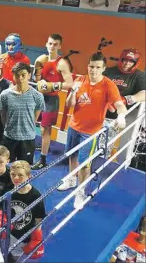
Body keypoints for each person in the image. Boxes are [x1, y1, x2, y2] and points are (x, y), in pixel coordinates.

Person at [58, 52, 127, 209]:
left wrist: (121, 115)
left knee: (85, 164)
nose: (93, 70)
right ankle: (71, 179)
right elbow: (69, 104)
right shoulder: (79, 80)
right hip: (74, 126)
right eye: (91, 66)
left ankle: (80, 192)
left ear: (103, 69)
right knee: (72, 155)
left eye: (97, 67)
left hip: (91, 132)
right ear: (87, 66)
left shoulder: (108, 85)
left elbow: (119, 104)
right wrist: (74, 92)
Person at [32, 34, 74, 170]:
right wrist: (40, 80)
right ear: (46, 44)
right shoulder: (41, 60)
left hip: (51, 99)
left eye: (55, 44)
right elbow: (37, 79)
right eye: (50, 43)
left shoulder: (61, 63)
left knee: (45, 129)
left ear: (60, 46)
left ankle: (43, 159)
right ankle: (33, 147)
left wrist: (52, 86)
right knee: (31, 122)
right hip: (38, 97)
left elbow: (69, 83)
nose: (52, 46)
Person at [102, 48, 145, 163]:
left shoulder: (139, 76)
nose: (127, 63)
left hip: (117, 116)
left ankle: (98, 168)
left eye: (131, 61)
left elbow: (144, 94)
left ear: (136, 63)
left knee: (104, 145)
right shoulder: (109, 71)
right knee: (89, 141)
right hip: (100, 111)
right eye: (125, 60)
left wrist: (126, 100)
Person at [0, 62, 45, 163]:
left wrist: (27, 127)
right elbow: (3, 116)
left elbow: (35, 118)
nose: (20, 78)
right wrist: (9, 128)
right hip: (9, 137)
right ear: (13, 76)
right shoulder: (5, 95)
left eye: (23, 75)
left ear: (29, 75)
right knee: (5, 166)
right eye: (17, 75)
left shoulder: (38, 96)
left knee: (24, 168)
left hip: (28, 139)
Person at [7, 160, 46, 261]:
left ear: (29, 177)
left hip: (23, 235)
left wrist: (36, 238)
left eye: (20, 175)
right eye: (13, 174)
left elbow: (39, 218)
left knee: (14, 257)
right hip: (9, 230)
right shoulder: (9, 190)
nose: (16, 178)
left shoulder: (35, 195)